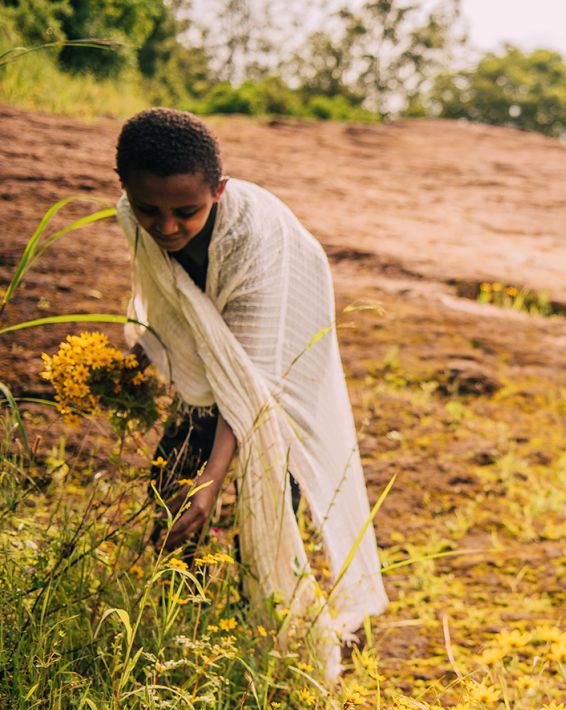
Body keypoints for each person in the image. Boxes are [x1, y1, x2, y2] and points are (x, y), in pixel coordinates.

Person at [115, 108, 388, 676]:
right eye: (150, 210)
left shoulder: (257, 241)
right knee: (171, 486)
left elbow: (254, 388)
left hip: (283, 337)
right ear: (126, 192)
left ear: (219, 190)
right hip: (221, 350)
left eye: (185, 212)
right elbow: (167, 297)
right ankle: (175, 628)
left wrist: (210, 487)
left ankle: (283, 639)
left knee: (269, 496)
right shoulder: (130, 214)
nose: (166, 227)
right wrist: (137, 357)